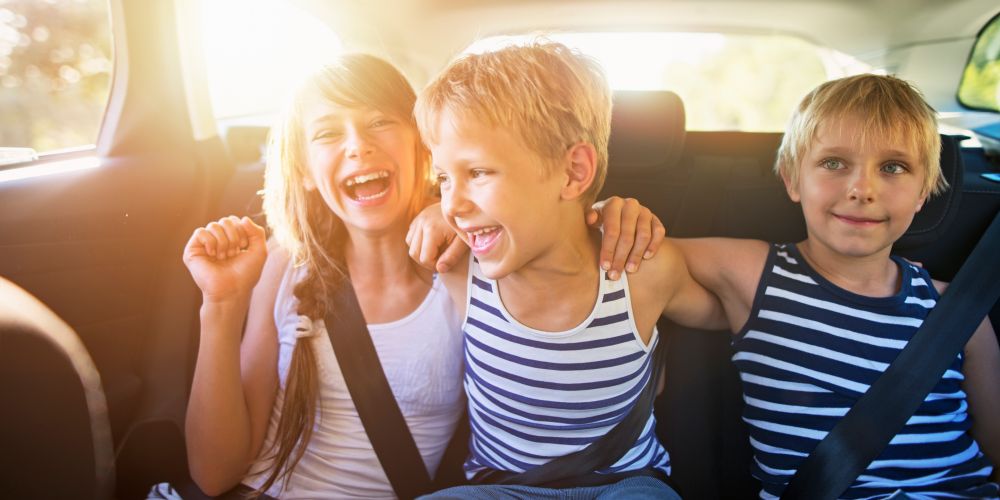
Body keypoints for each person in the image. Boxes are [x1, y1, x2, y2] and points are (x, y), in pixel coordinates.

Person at [179, 53, 665, 499]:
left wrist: (602, 217)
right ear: (305, 169)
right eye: (328, 134)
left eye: (379, 123)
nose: (357, 147)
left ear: (425, 148)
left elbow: (563, 266)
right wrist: (221, 306)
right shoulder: (285, 265)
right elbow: (215, 474)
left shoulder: (479, 270)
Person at [411, 41, 727, 498]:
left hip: (623, 485)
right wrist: (428, 214)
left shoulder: (640, 273)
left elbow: (728, 313)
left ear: (574, 173)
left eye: (478, 172)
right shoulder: (460, 269)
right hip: (500, 488)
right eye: (443, 178)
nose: (453, 204)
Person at [671, 74, 1000, 498]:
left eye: (893, 167)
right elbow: (639, 255)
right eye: (833, 163)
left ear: (922, 192)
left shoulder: (955, 308)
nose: (862, 189)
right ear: (792, 178)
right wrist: (615, 214)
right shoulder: (756, 275)